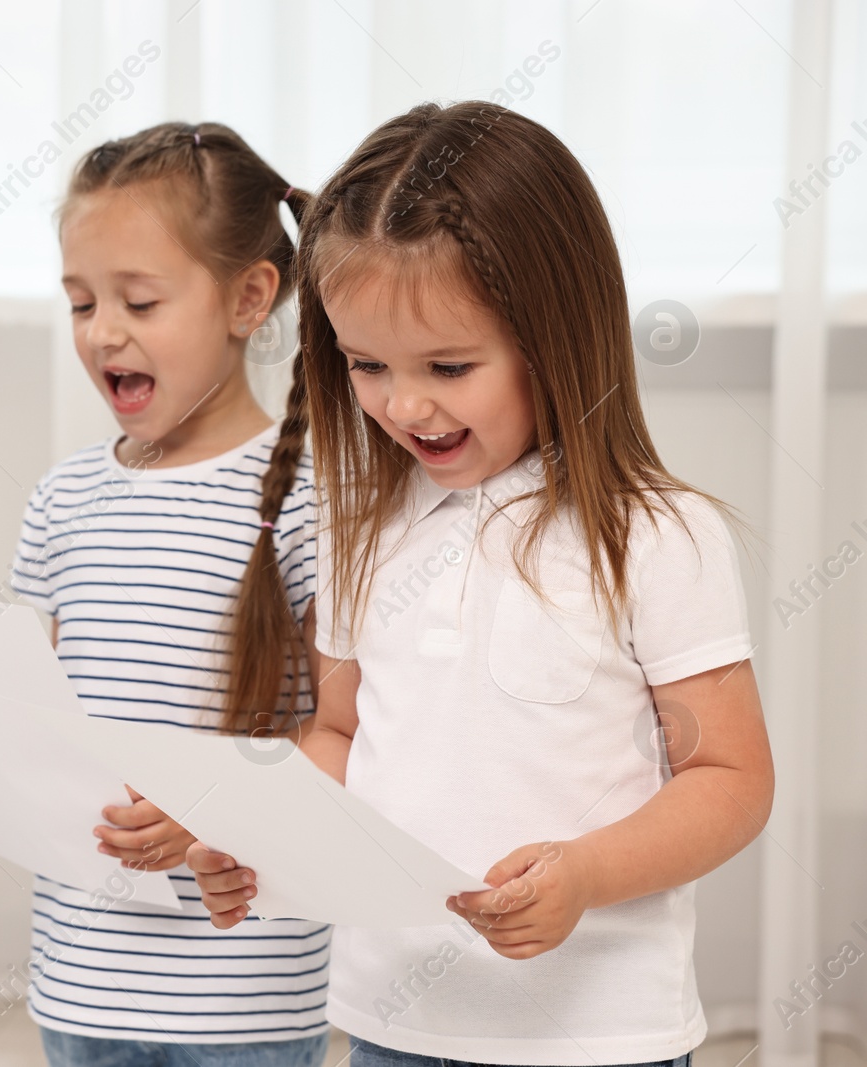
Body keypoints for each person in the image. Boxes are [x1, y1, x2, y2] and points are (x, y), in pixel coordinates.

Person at [190, 101, 774, 1067]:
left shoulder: (657, 535)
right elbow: (340, 734)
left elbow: (732, 778)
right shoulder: (360, 531)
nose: (405, 404)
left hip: (597, 1036)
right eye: (367, 364)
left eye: (450, 366)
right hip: (394, 1021)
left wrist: (586, 873)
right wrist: (259, 831)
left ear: (557, 333)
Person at [0, 121, 333, 1066]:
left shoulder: (307, 504)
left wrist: (214, 806)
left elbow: (346, 737)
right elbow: (26, 713)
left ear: (251, 297)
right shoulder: (64, 498)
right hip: (84, 978)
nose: (103, 332)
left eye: (139, 299)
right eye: (81, 302)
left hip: (242, 991)